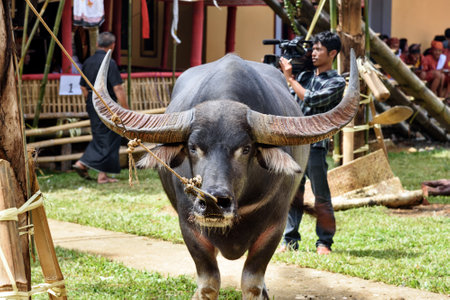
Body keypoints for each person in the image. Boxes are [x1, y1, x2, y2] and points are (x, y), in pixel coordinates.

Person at [278, 31, 346, 255]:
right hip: (295, 143)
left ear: (332, 53)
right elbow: (290, 98)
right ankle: (290, 240)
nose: (314, 53)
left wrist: (290, 79)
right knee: (293, 194)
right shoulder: (305, 76)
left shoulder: (336, 82)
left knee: (321, 195)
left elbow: (312, 99)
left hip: (316, 145)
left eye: (319, 50)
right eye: (313, 48)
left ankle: (324, 242)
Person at [73, 32, 129, 184]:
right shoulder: (109, 63)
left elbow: (82, 87)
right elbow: (117, 88)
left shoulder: (88, 62)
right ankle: (83, 163)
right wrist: (125, 109)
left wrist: (90, 101)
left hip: (92, 103)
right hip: (106, 104)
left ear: (97, 44)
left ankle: (101, 175)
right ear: (113, 46)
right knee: (109, 136)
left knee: (103, 136)